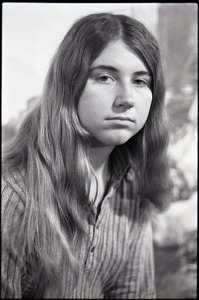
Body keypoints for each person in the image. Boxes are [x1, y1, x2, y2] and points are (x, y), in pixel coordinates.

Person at [1, 12, 173, 299]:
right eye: (105, 77)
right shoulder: (13, 197)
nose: (127, 98)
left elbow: (134, 293)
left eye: (141, 81)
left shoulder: (134, 185)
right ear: (70, 85)